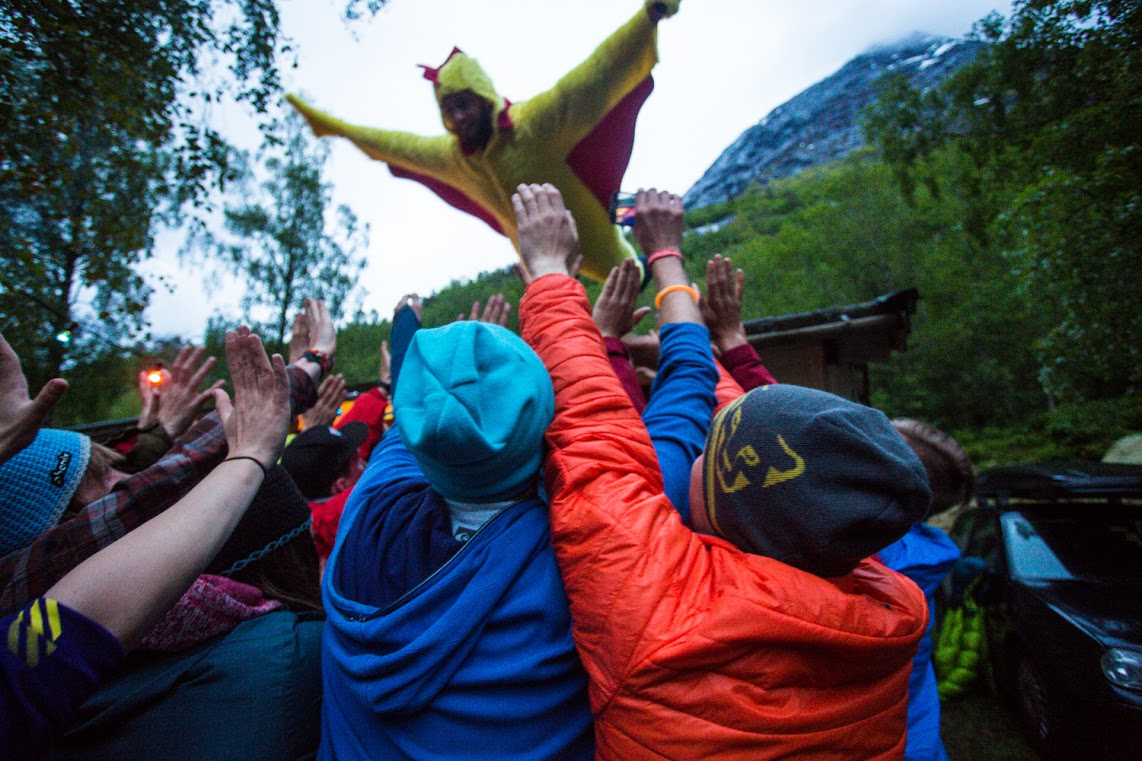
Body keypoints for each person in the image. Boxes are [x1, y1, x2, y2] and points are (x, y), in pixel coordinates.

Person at [514, 183, 931, 759]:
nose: (701, 451)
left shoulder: (661, 604)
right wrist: (717, 338)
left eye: (712, 454)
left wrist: (549, 272)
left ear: (740, 515)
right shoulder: (884, 599)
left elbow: (592, 431)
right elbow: (753, 425)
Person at [319, 297, 593, 759]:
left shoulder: (366, 510)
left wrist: (408, 323)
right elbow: (666, 432)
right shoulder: (577, 562)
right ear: (545, 421)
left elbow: (413, 427)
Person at [1, 326, 290, 758]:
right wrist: (250, 453)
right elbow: (140, 498)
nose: (127, 479)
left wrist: (159, 429)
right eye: (103, 480)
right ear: (64, 533)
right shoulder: (34, 656)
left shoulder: (32, 637)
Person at [286, 0, 681, 282]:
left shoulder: (533, 125)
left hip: (609, 249)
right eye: (449, 110)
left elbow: (594, 76)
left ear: (484, 96)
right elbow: (392, 143)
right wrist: (336, 126)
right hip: (549, 269)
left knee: (637, 283)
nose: (457, 118)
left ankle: (653, 259)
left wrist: (648, 15)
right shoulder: (452, 157)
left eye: (464, 104)